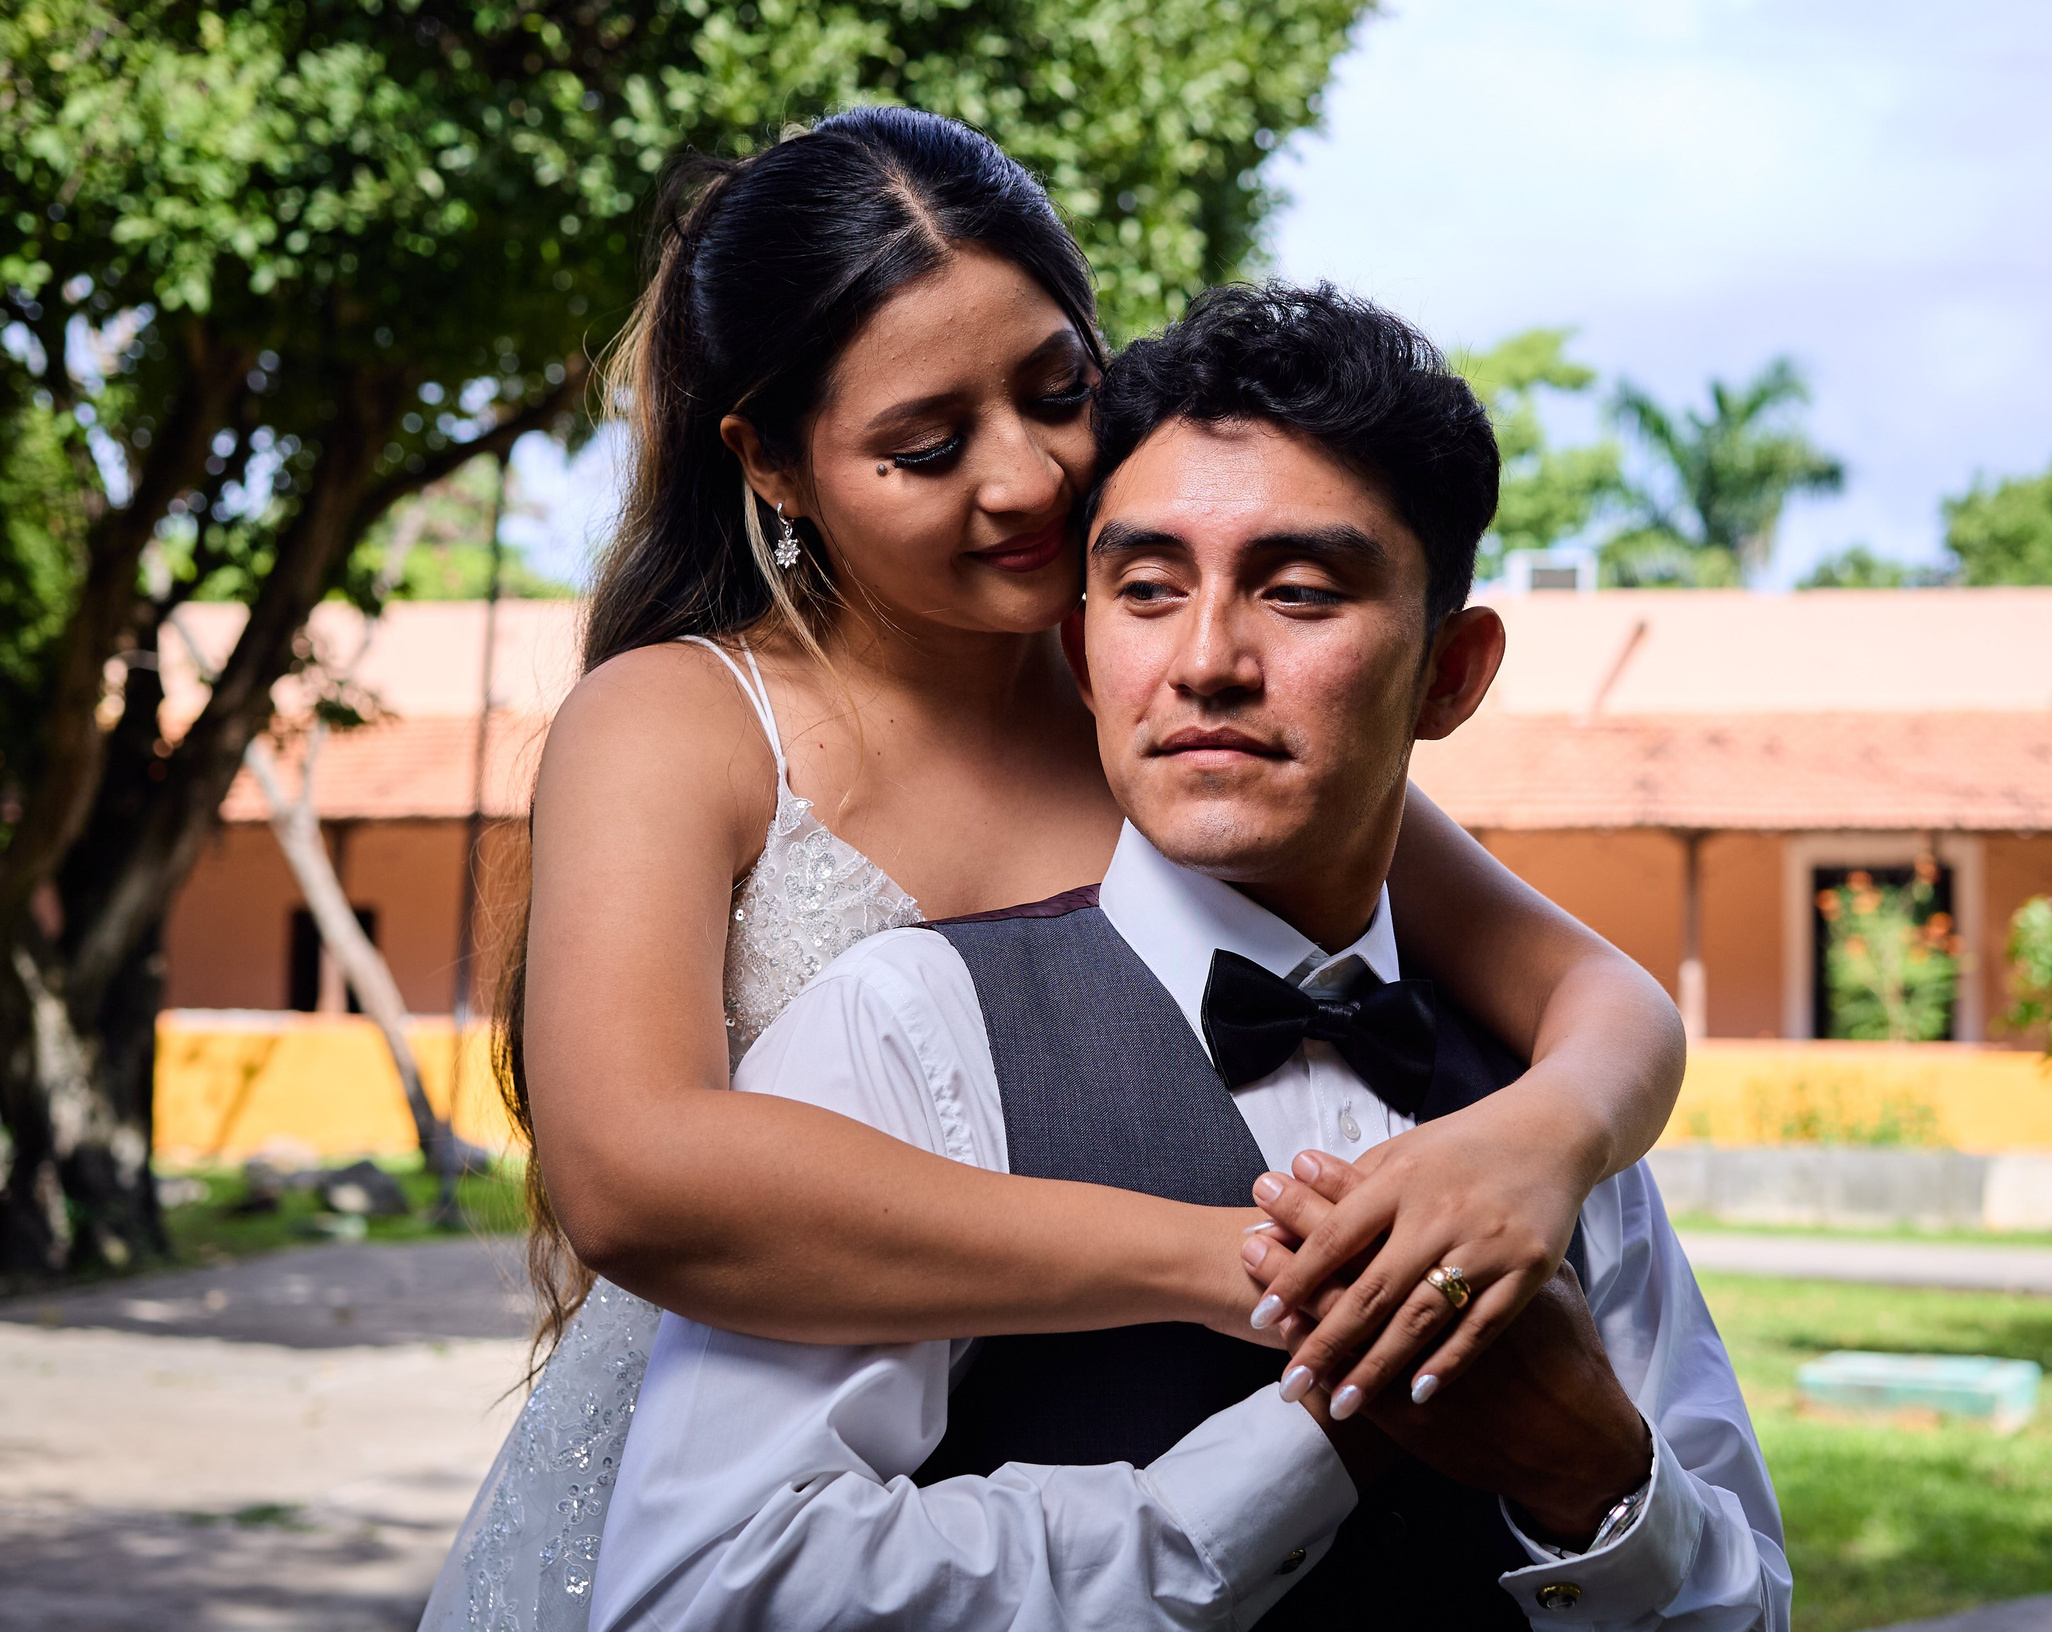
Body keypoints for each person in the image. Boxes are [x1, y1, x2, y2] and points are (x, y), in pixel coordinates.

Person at [423, 109, 1691, 1628]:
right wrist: (1238, 1265)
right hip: (772, 1463)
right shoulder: (687, 721)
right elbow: (633, 1174)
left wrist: (1532, 1145)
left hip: (1128, 1449)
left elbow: (1600, 998)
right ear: (773, 466)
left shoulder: (1162, 713)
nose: (1029, 479)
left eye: (1058, 391)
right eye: (928, 445)